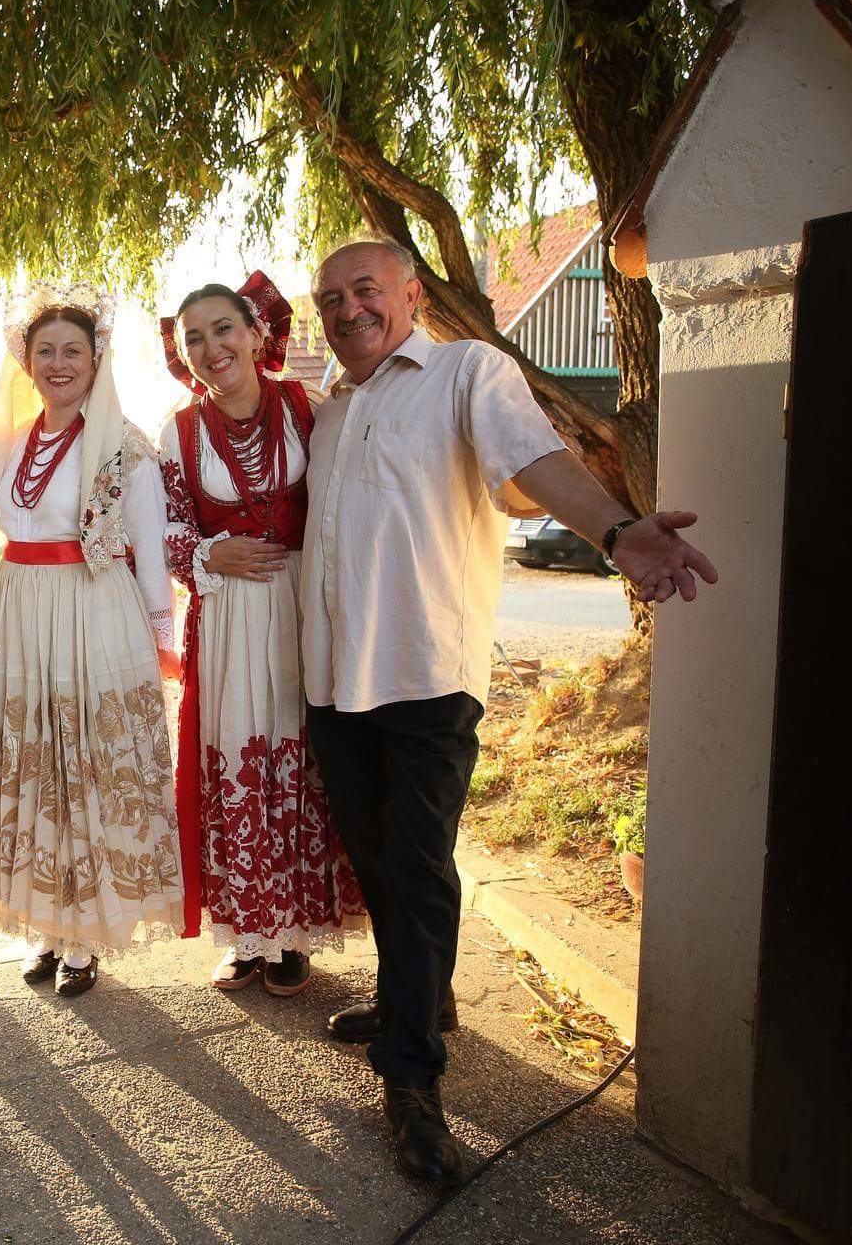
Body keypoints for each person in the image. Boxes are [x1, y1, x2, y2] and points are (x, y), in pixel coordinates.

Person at [300, 237, 719, 1185]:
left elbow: (534, 460)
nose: (348, 309)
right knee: (378, 860)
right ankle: (423, 997)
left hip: (425, 677)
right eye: (330, 298)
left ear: (412, 294)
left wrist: (615, 530)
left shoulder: (465, 372)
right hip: (332, 679)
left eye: (366, 289)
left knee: (417, 867)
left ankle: (411, 1077)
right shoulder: (331, 411)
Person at [0, 284, 184, 997]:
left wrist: (161, 636)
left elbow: (150, 554)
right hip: (20, 611)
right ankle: (48, 922)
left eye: (72, 350)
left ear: (97, 359)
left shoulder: (124, 446)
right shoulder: (10, 441)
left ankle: (87, 936)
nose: (58, 363)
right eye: (45, 351)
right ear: (26, 362)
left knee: (84, 764)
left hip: (92, 611)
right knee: (36, 764)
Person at [157, 273, 364, 999]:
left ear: (254, 333)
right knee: (238, 757)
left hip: (305, 604)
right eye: (194, 339)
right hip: (230, 615)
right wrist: (209, 554)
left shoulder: (307, 407)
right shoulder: (179, 431)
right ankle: (247, 933)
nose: (211, 347)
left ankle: (294, 935)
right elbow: (164, 530)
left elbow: (348, 498)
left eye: (222, 329)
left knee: (302, 756)